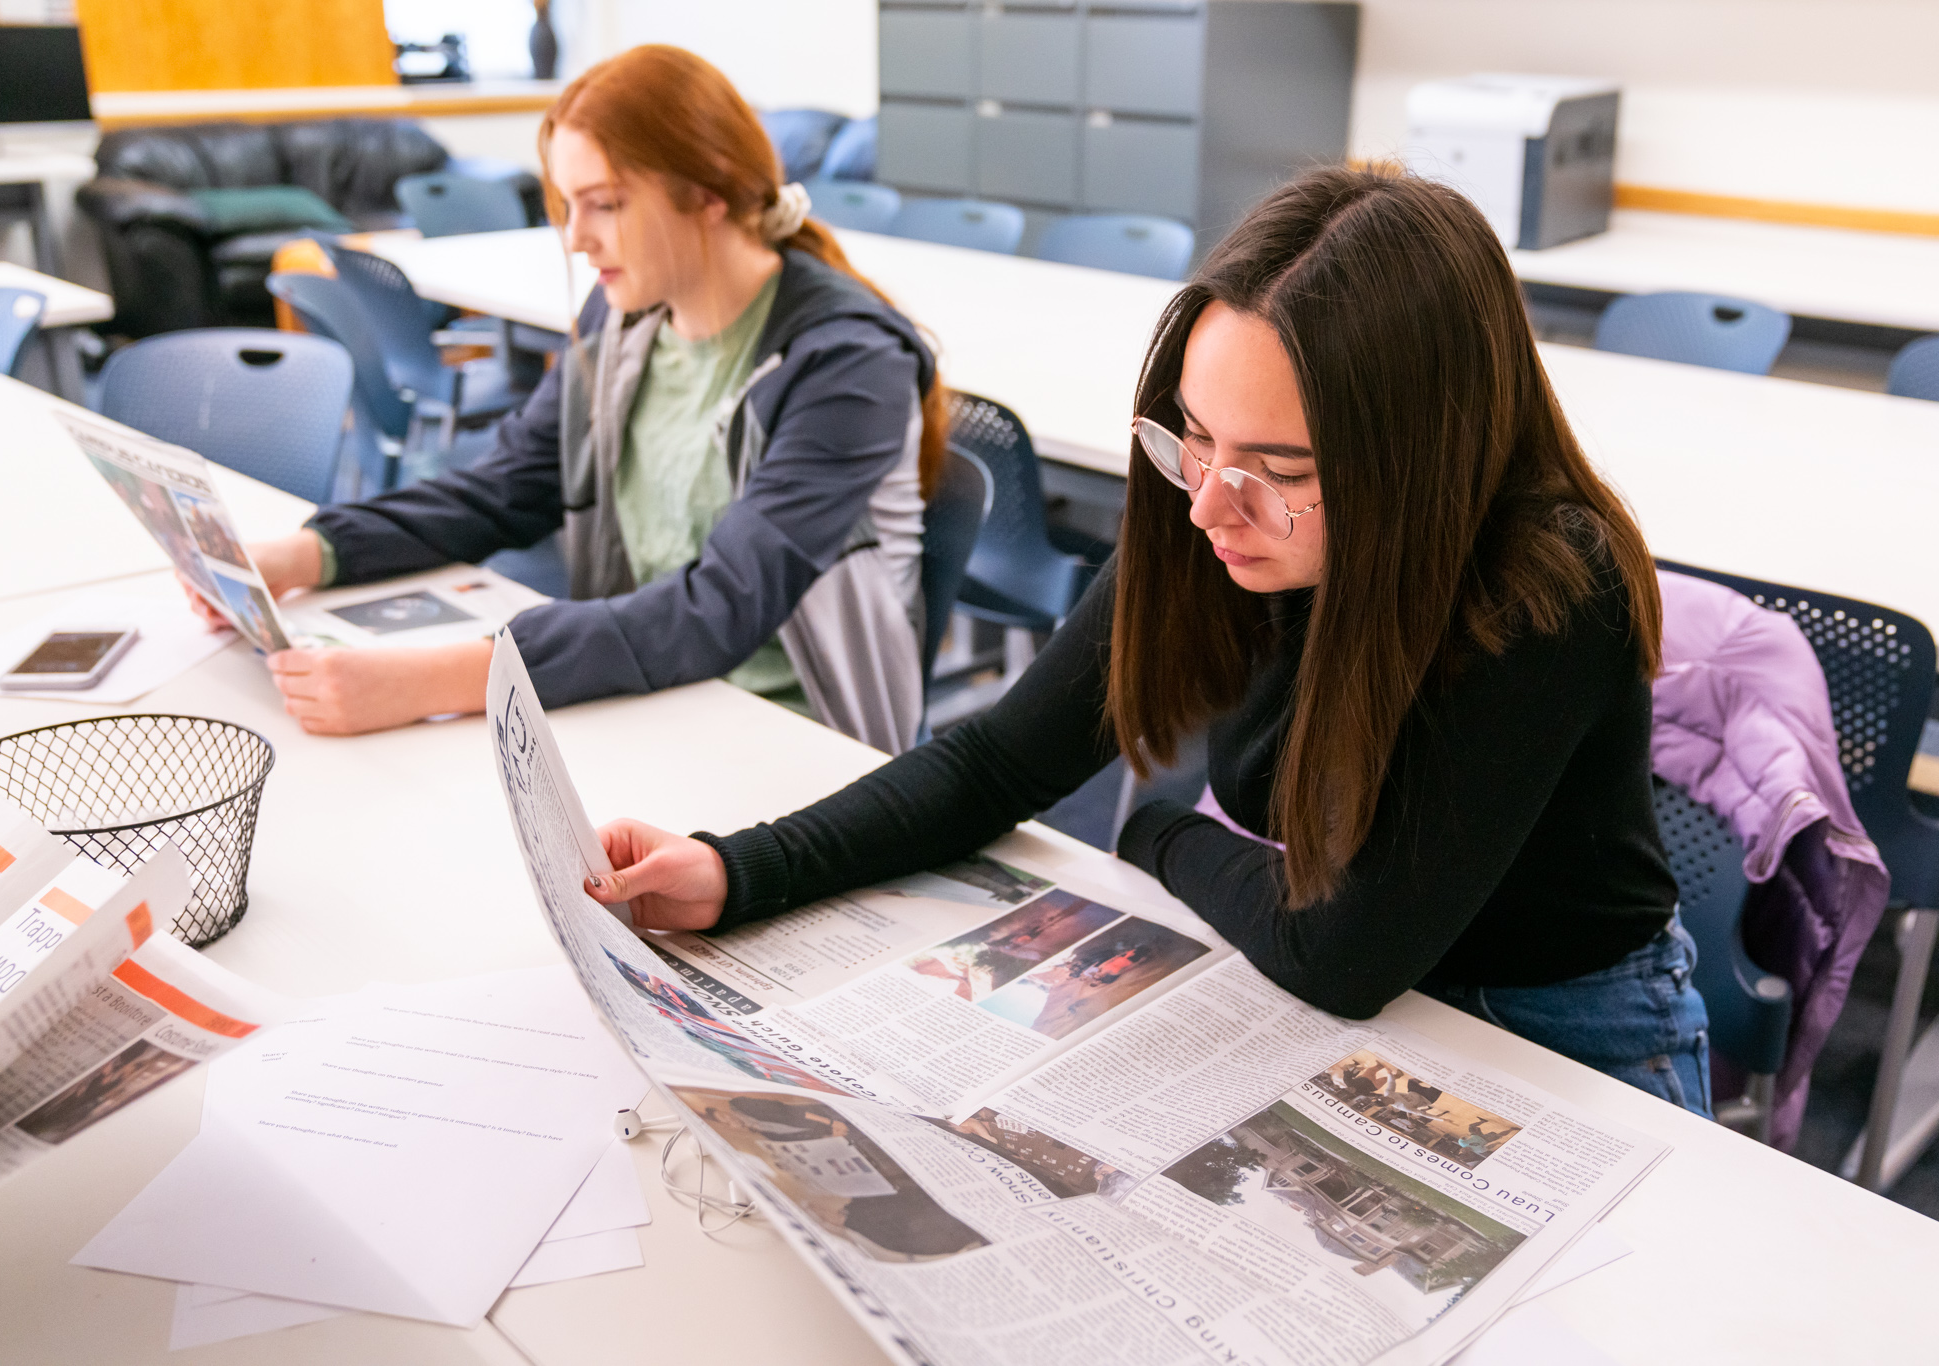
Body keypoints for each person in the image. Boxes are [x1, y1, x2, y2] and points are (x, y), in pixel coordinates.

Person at [584, 164, 1717, 1119]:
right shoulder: (1221, 516)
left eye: (1276, 472)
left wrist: (1155, 833)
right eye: (1194, 437)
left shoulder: (1543, 588)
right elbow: (997, 761)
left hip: (1562, 1028)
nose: (1208, 506)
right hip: (1341, 988)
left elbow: (1344, 953)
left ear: (1420, 457)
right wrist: (739, 868)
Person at [213, 45, 945, 743]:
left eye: (606, 204)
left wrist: (428, 681)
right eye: (569, 205)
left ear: (709, 191)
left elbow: (722, 607)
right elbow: (503, 487)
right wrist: (306, 553)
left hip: (799, 737)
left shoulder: (848, 362)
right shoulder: (624, 317)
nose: (577, 239)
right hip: (648, 688)